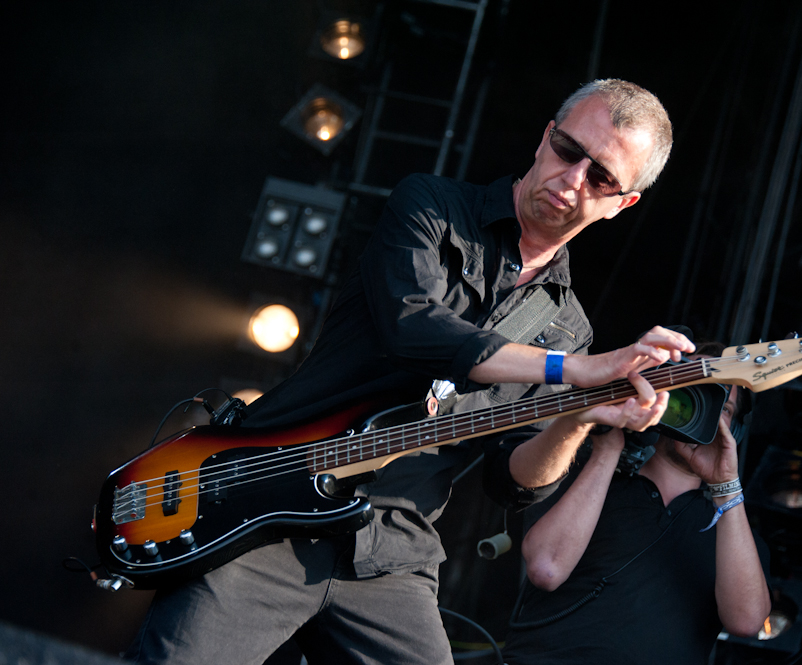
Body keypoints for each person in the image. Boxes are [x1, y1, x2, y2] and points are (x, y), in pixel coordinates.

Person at [125, 78, 690, 665]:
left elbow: (511, 479)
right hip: (273, 512)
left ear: (624, 203)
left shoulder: (569, 328)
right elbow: (413, 327)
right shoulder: (432, 205)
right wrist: (573, 371)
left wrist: (576, 419)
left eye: (600, 178)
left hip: (392, 550)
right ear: (547, 137)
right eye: (570, 151)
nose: (572, 180)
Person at [501, 344, 772, 665]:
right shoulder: (584, 472)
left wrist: (726, 486)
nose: (698, 407)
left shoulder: (735, 533)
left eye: (721, 407)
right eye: (690, 389)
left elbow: (747, 622)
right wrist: (608, 447)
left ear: (735, 431)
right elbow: (546, 568)